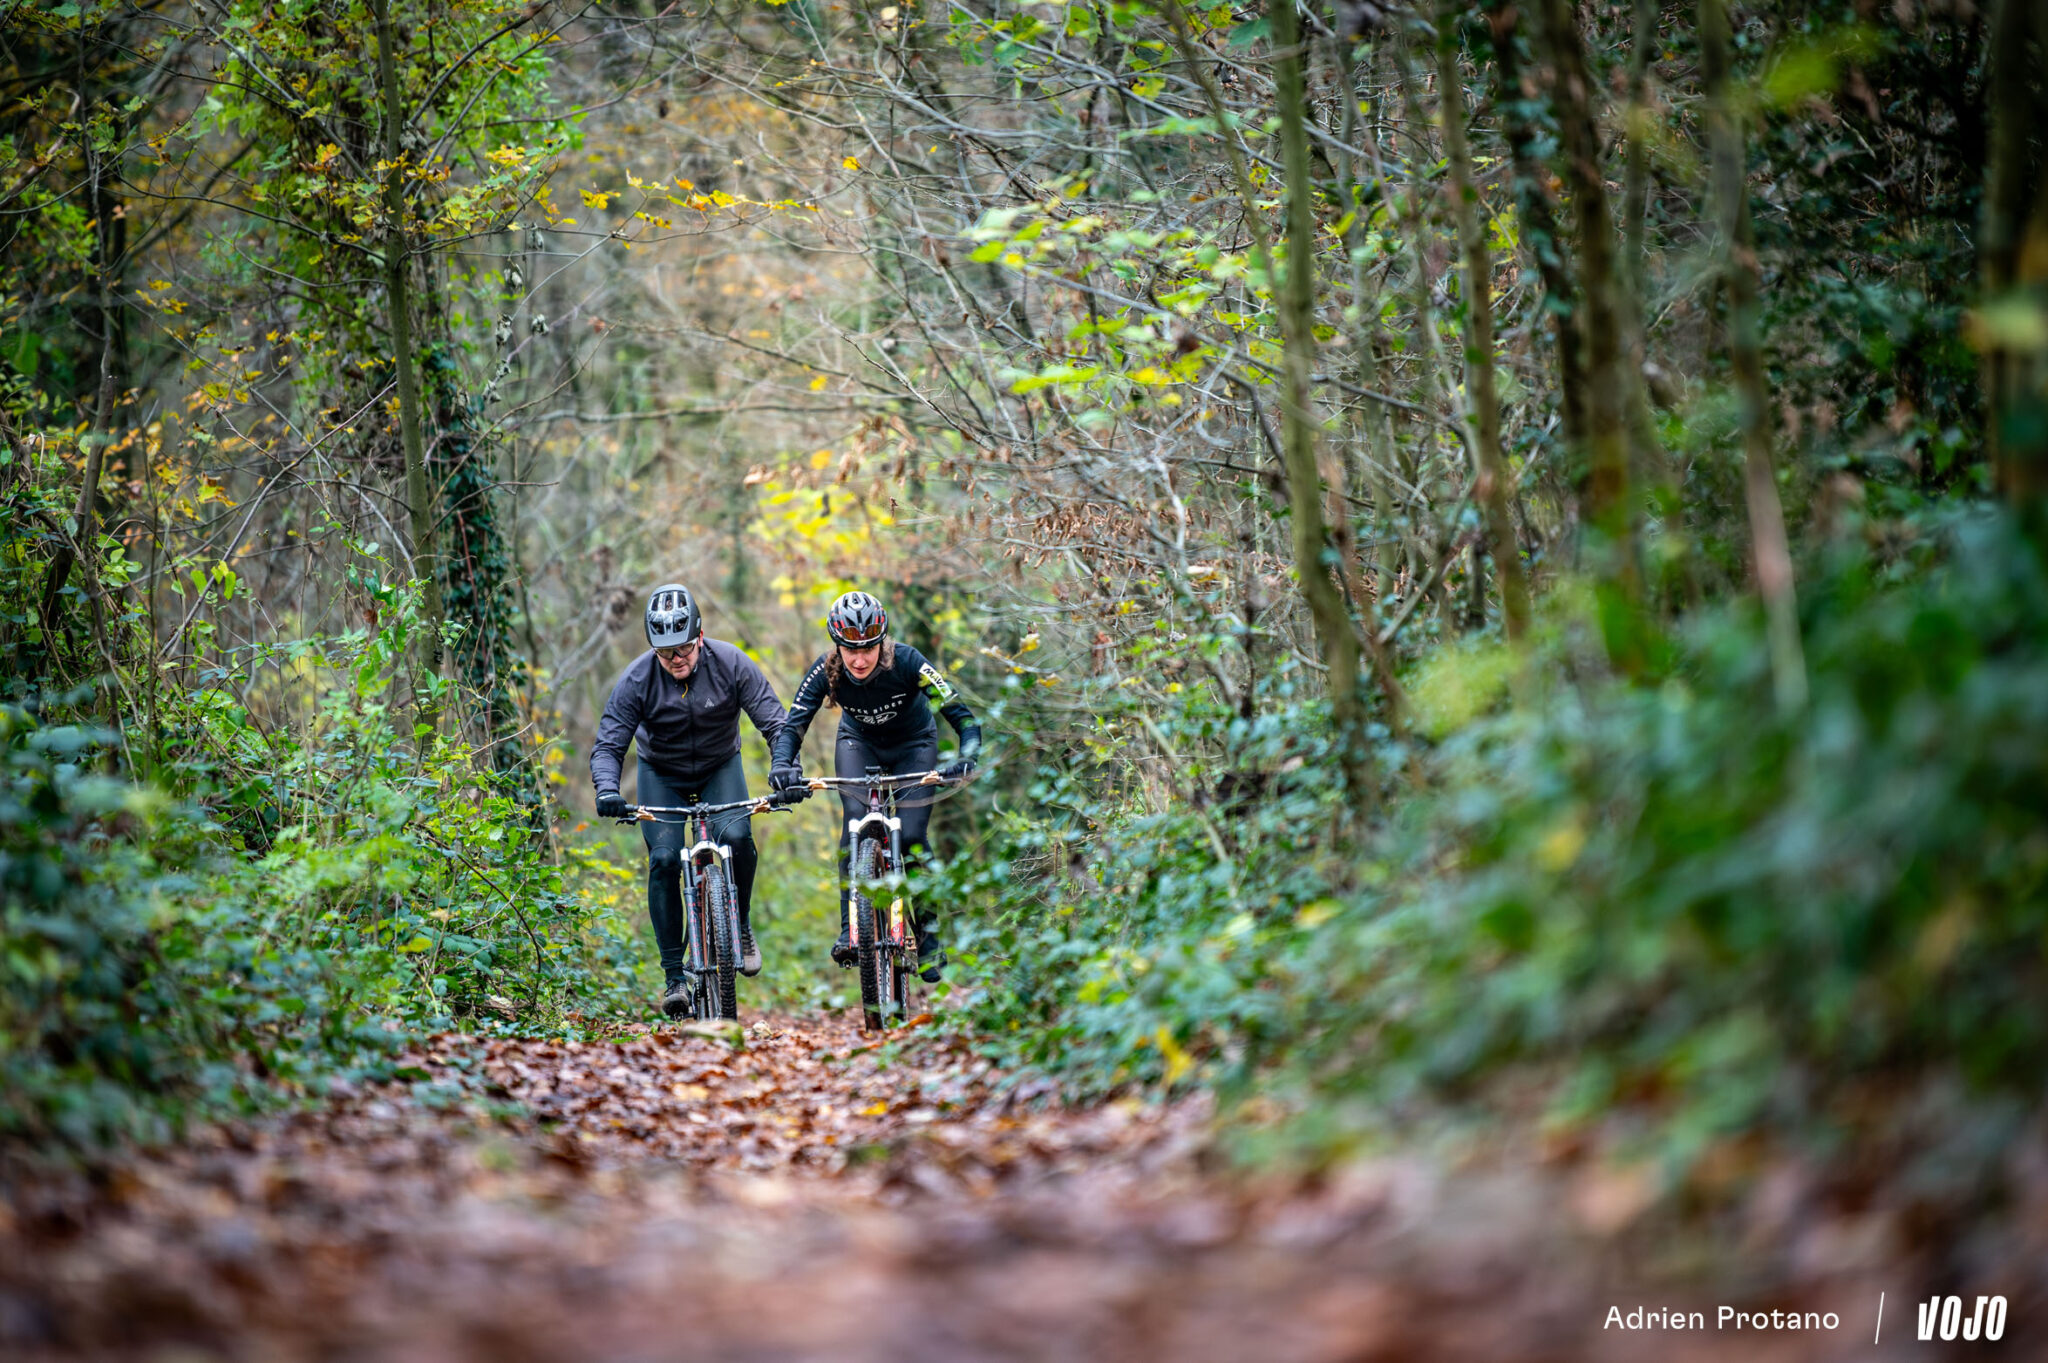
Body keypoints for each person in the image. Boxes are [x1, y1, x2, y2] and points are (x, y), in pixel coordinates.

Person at [591, 583, 797, 1018]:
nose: (676, 659)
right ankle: (673, 977)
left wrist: (785, 771)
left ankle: (737, 924)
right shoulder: (637, 679)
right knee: (664, 859)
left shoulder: (732, 663)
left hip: (720, 766)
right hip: (660, 773)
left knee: (738, 835)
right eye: (666, 653)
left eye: (684, 648)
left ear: (700, 637)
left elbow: (777, 724)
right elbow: (609, 746)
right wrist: (607, 789)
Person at [768, 590, 980, 981]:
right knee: (854, 824)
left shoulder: (908, 661)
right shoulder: (825, 669)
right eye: (851, 650)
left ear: (882, 641)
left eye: (868, 648)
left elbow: (962, 716)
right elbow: (793, 724)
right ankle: (851, 926)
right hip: (858, 743)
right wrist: (782, 764)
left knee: (914, 835)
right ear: (838, 646)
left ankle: (929, 937)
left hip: (914, 744)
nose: (860, 659)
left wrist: (967, 754)